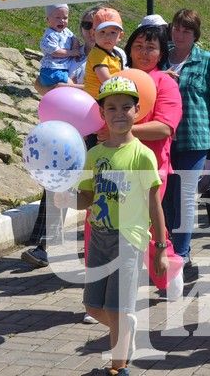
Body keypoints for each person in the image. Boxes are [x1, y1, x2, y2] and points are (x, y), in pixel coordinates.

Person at [66, 76, 168, 376]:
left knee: (116, 309)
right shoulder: (95, 155)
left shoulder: (142, 155)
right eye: (111, 108)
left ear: (138, 111)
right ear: (102, 113)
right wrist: (65, 200)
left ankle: (118, 367)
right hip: (98, 236)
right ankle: (125, 327)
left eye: (126, 107)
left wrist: (160, 249)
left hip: (129, 238)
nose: (119, 113)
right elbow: (87, 197)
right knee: (93, 307)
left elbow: (154, 204)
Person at [25, 5, 103, 271]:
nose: (90, 30)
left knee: (96, 191)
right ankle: (46, 245)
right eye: (86, 24)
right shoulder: (73, 54)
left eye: (97, 24)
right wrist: (55, 87)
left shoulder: (113, 57)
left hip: (97, 134)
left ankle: (99, 246)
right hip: (66, 134)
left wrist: (71, 88)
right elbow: (41, 83)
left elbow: (108, 89)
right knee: (55, 185)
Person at [122, 15, 185, 299]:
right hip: (114, 165)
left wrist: (123, 129)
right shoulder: (118, 79)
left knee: (140, 227)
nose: (144, 53)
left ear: (161, 53)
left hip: (151, 168)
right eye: (138, 45)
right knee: (115, 227)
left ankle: (168, 268)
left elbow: (165, 127)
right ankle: (116, 291)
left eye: (151, 47)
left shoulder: (165, 82)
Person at [165, 9, 210, 265]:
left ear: (195, 35)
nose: (179, 35)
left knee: (184, 197)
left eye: (186, 31)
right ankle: (170, 246)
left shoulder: (205, 61)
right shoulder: (161, 58)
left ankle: (180, 255)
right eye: (177, 29)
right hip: (163, 139)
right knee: (166, 199)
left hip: (194, 139)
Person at [83, 7, 126, 99]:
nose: (107, 36)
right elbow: (106, 80)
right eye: (102, 32)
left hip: (107, 96)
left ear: (120, 36)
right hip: (96, 100)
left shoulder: (116, 54)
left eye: (113, 32)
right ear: (93, 34)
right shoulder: (97, 54)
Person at [37, 3, 82, 89]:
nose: (62, 20)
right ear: (48, 20)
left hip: (61, 69)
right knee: (70, 85)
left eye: (65, 18)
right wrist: (71, 53)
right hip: (51, 70)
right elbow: (56, 52)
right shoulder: (49, 36)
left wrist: (76, 49)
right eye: (57, 17)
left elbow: (74, 39)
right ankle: (82, 88)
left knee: (69, 83)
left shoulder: (66, 31)